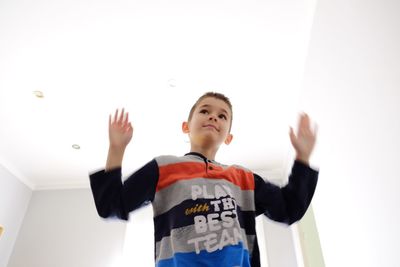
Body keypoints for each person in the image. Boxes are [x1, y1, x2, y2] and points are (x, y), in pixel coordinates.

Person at [89, 92, 319, 267]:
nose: (213, 117)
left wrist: (303, 158)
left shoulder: (243, 179)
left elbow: (290, 209)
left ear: (228, 137)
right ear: (186, 126)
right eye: (205, 111)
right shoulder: (163, 168)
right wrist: (116, 149)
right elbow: (111, 206)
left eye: (222, 116)